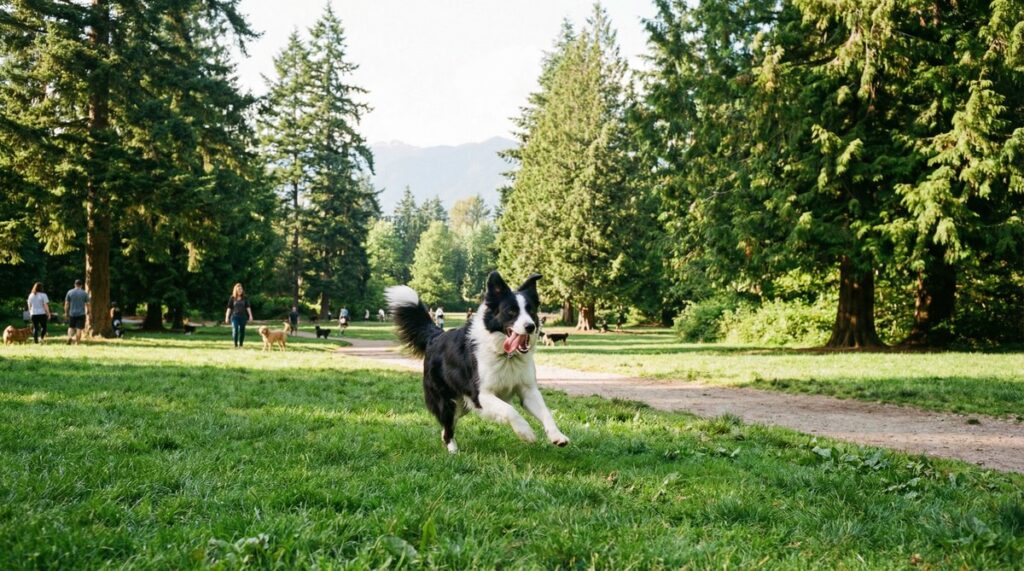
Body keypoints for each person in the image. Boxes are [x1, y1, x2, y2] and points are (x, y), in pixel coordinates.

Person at [224, 283, 254, 348]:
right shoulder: (232, 298)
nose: (240, 291)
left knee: (242, 331)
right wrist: (227, 317)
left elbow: (248, 307)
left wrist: (250, 315)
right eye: (238, 289)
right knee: (235, 330)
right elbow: (229, 308)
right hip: (235, 317)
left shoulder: (245, 298)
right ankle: (235, 345)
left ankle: (241, 345)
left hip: (243, 317)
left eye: (241, 289)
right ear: (236, 290)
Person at [65, 279, 90, 345]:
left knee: (71, 327)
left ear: (74, 285)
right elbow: (88, 304)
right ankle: (77, 343)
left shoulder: (69, 292)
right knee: (79, 329)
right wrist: (89, 312)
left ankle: (70, 337)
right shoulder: (84, 293)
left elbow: (67, 303)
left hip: (72, 313)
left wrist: (66, 312)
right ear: (81, 285)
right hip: (81, 313)